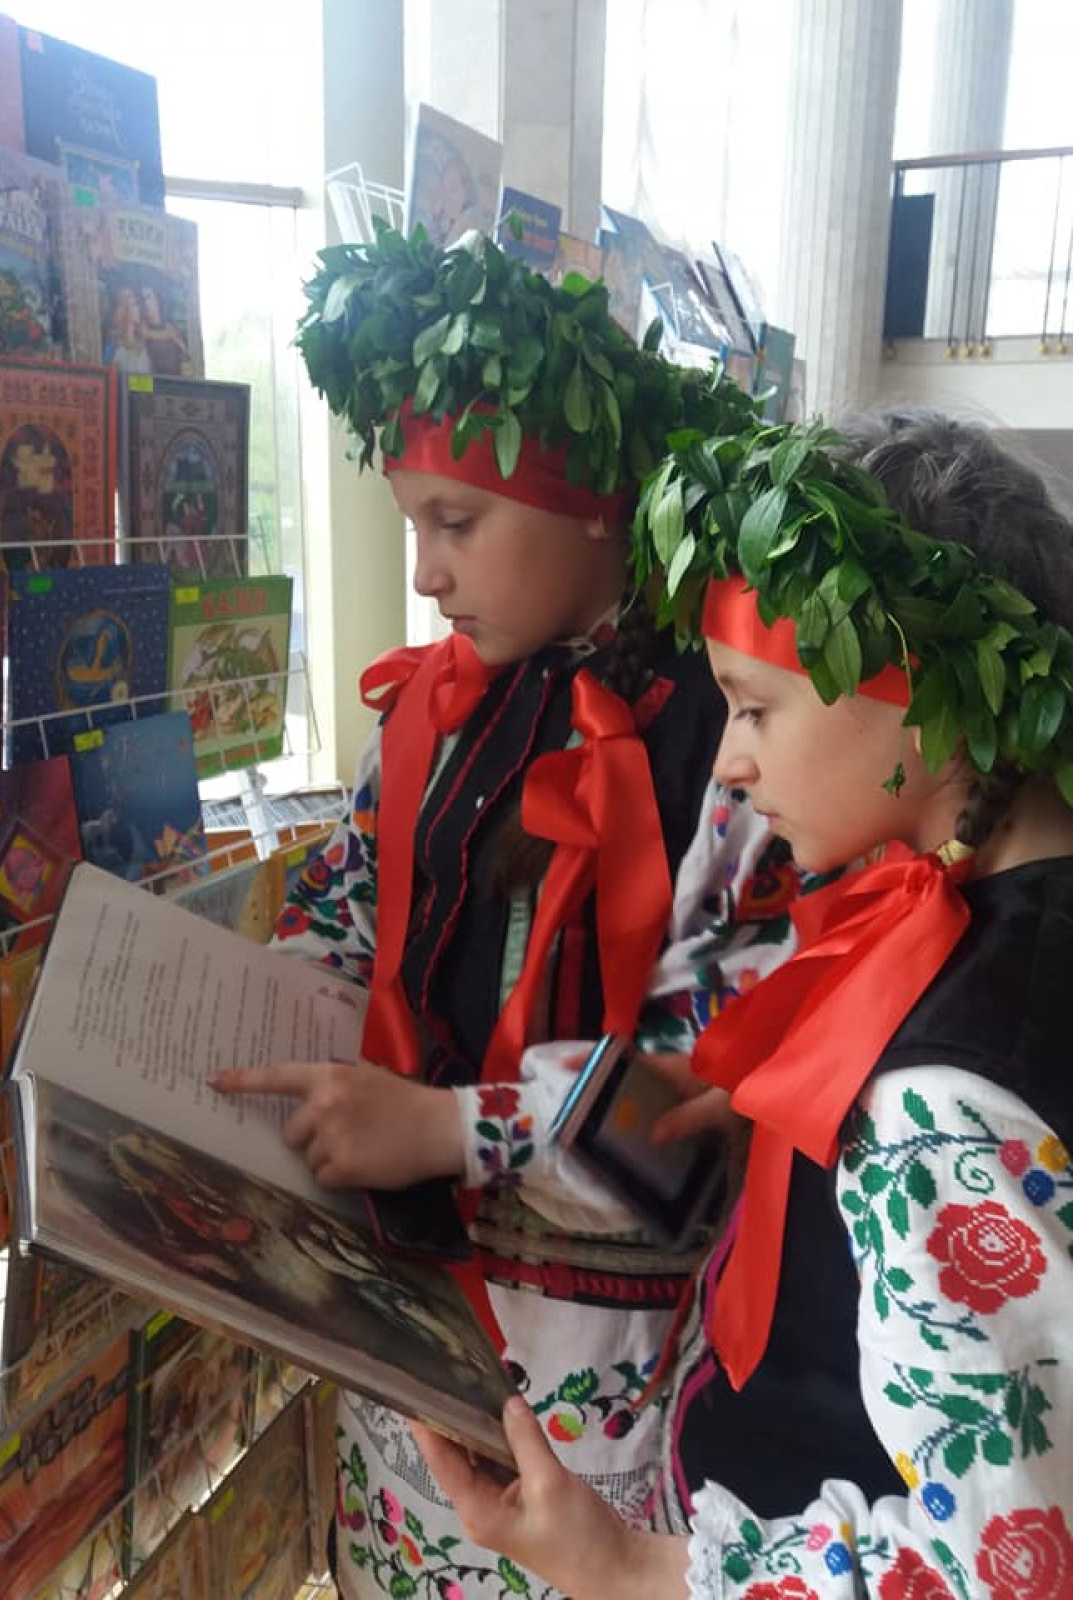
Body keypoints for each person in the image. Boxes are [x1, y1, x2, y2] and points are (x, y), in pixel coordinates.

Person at [210, 225, 804, 1600]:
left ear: (593, 500)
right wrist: (268, 1016)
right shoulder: (427, 710)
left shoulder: (731, 744)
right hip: (397, 1338)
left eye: (455, 524)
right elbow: (346, 901)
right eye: (410, 525)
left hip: (598, 1386)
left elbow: (706, 1098)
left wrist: (445, 1127)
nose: (425, 573)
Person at [412, 409, 1073, 1600]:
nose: (727, 759)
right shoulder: (1005, 920)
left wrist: (629, 1567)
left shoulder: (942, 1106)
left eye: (756, 707)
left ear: (925, 698)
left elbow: (1000, 1569)